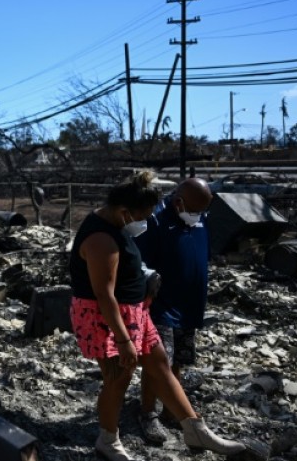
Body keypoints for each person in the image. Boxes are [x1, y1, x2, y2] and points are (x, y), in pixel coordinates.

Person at [68, 171, 244, 460]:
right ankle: (108, 440)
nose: (147, 221)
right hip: (106, 318)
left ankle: (194, 428)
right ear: (125, 212)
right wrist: (124, 341)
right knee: (118, 378)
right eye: (144, 215)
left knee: (161, 363)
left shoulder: (115, 222)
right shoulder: (101, 238)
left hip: (133, 310)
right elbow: (104, 295)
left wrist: (144, 278)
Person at [135, 177, 214, 444]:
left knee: (178, 359)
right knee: (158, 363)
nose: (198, 216)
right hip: (162, 306)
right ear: (179, 202)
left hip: (189, 304)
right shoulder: (155, 220)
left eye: (201, 212)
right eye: (194, 211)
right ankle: (148, 413)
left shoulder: (198, 217)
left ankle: (171, 408)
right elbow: (141, 263)